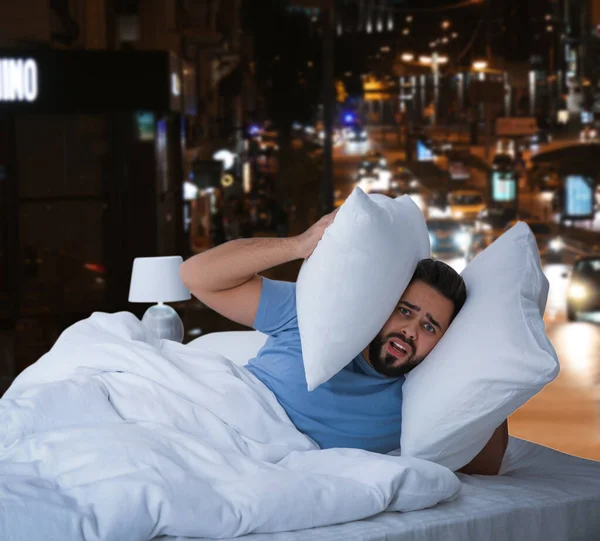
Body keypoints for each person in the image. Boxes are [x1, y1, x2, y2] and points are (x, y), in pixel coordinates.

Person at [180, 211, 509, 475]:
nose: (410, 331)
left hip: (259, 467)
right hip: (206, 414)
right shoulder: (314, 313)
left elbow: (486, 465)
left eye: (429, 326)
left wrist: (477, 356)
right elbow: (196, 276)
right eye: (404, 311)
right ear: (383, 301)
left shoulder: (420, 401)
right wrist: (298, 245)